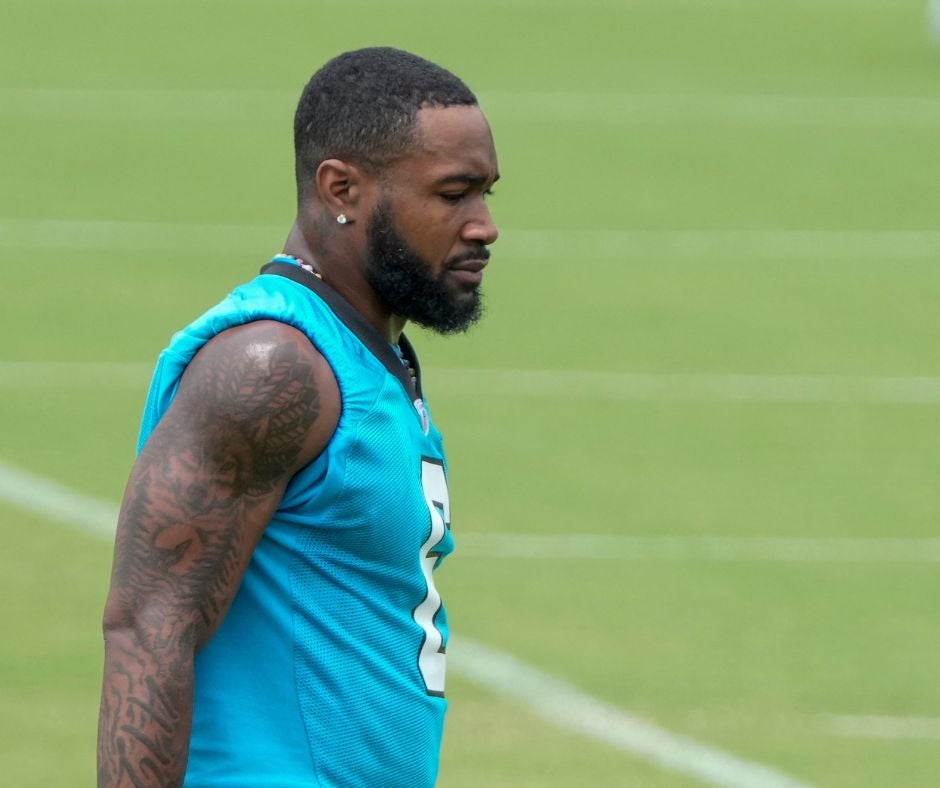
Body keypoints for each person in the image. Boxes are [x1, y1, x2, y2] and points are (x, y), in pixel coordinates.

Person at [97, 47, 499, 787]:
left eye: (487, 195)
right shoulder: (272, 369)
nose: (484, 227)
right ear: (341, 187)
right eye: (454, 195)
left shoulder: (365, 353)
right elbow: (150, 628)